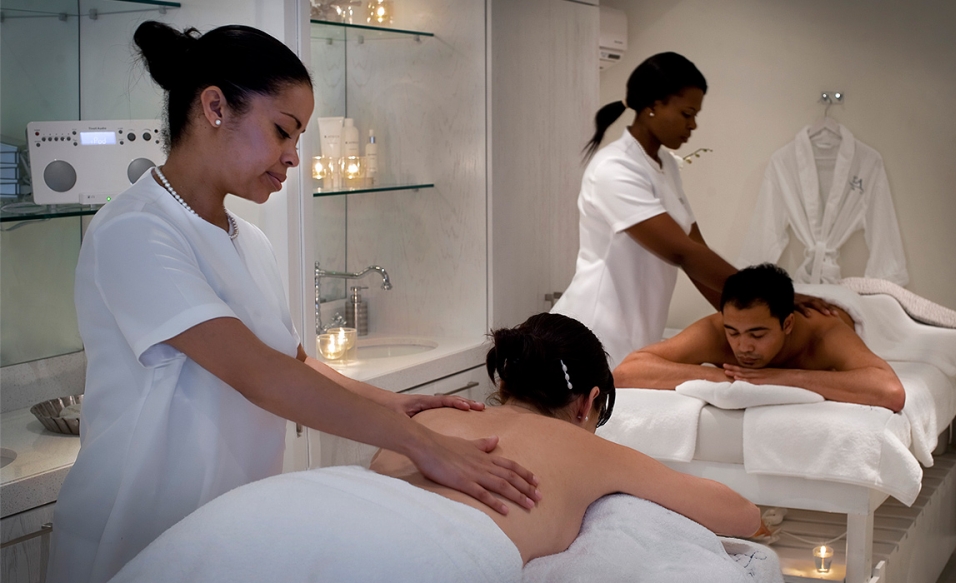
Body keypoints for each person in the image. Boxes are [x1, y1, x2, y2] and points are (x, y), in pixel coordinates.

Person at [48, 22, 538, 583]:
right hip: (139, 533)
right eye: (283, 131)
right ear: (214, 107)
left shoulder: (249, 240)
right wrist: (420, 444)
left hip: (229, 530)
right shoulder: (135, 230)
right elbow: (259, 375)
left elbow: (292, 361)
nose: (293, 157)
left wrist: (392, 404)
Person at [106, 313, 762, 583]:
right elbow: (740, 514)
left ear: (503, 383)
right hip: (415, 551)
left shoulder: (439, 416)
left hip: (277, 506)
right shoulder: (580, 444)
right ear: (588, 403)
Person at [551, 52, 832, 368]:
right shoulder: (614, 168)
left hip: (635, 335)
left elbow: (696, 249)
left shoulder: (664, 164)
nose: (693, 125)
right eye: (687, 113)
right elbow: (682, 252)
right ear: (653, 106)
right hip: (590, 332)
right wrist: (770, 300)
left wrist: (745, 322)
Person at [614, 264, 906, 412]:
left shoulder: (824, 333)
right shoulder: (716, 330)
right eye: (733, 332)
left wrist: (782, 377)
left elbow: (890, 391)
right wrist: (722, 377)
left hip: (850, 305)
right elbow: (627, 372)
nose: (743, 346)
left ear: (787, 324)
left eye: (758, 334)